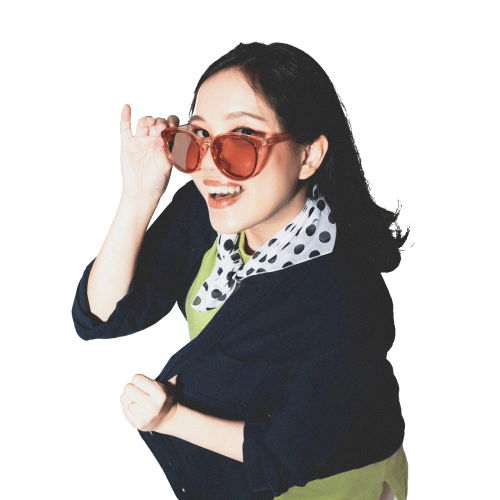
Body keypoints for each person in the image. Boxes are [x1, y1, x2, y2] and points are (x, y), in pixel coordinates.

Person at [72, 42, 411, 500]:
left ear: (308, 156)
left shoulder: (342, 298)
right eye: (198, 137)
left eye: (243, 138)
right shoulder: (205, 213)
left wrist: (170, 418)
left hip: (331, 483)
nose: (211, 166)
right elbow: (106, 314)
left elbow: (285, 456)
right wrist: (136, 199)